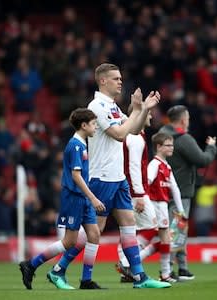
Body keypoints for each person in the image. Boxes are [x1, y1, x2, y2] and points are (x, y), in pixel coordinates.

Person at [52, 63, 171, 289]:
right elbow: (118, 134)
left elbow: (133, 131)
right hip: (101, 177)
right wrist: (136, 112)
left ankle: (139, 277)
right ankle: (58, 269)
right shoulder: (96, 106)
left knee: (128, 223)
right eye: (116, 78)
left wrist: (143, 109)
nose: (120, 82)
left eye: (121, 78)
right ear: (103, 81)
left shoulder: (114, 106)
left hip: (117, 177)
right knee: (93, 232)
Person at [19, 108, 105, 290]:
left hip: (84, 198)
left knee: (94, 234)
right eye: (94, 124)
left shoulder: (82, 144)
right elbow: (75, 175)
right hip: (74, 198)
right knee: (70, 241)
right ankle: (31, 265)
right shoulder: (75, 145)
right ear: (84, 125)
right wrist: (93, 197)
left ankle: (86, 281)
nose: (96, 127)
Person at [158, 105, 217, 280]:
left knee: (175, 228)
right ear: (183, 120)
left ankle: (182, 267)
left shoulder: (162, 134)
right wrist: (211, 147)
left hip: (164, 188)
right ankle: (168, 269)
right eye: (188, 118)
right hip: (181, 190)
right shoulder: (184, 139)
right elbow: (202, 159)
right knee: (176, 229)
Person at [116, 109, 158, 283]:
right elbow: (133, 167)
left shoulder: (135, 135)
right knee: (153, 227)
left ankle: (127, 264)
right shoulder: (134, 138)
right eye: (147, 113)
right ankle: (126, 262)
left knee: (133, 228)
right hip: (135, 192)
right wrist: (139, 194)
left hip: (133, 190)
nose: (150, 116)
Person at [143, 132, 186, 282]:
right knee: (161, 238)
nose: (171, 148)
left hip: (162, 205)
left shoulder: (166, 166)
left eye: (172, 145)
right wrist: (145, 203)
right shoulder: (154, 165)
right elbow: (146, 183)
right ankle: (131, 262)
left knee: (165, 239)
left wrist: (181, 211)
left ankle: (164, 273)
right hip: (155, 204)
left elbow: (175, 189)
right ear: (159, 147)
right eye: (168, 145)